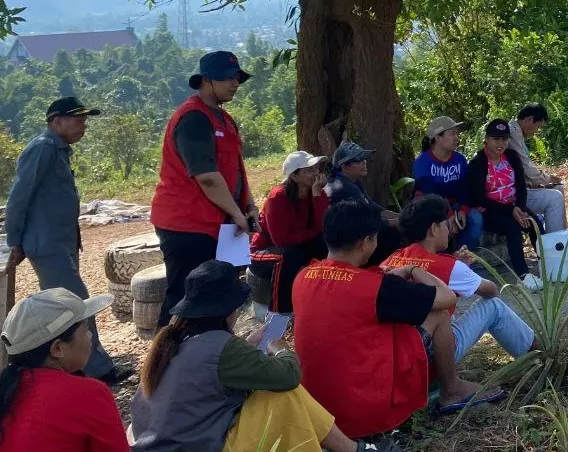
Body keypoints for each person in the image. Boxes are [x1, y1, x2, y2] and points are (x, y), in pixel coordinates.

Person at [130, 261, 398, 452]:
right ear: (230, 311)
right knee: (284, 395)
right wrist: (280, 350)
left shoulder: (174, 341)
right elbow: (288, 376)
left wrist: (246, 346)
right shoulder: (223, 348)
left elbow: (211, 371)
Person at [292, 201, 501, 438]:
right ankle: (451, 389)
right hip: (361, 407)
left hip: (317, 407)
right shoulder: (376, 287)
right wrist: (414, 270)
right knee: (439, 314)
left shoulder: (303, 276)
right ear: (365, 242)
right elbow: (448, 298)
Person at [0, 288, 175, 452]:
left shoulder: (7, 390)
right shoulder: (87, 392)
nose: (90, 336)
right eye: (85, 329)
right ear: (57, 348)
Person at [5, 97, 127, 384]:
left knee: (67, 309)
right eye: (78, 120)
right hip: (48, 245)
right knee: (77, 307)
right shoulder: (42, 148)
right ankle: (97, 371)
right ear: (57, 121)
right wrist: (15, 241)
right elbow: (18, 197)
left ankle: (74, 369)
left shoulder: (57, 150)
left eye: (84, 120)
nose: (83, 126)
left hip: (60, 243)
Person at [152, 51, 258, 328]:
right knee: (185, 295)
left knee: (223, 290)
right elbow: (207, 177)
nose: (235, 84)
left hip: (225, 222)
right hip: (189, 224)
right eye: (228, 78)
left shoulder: (224, 118)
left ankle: (216, 343)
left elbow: (236, 170)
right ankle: (166, 350)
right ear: (206, 80)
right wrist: (238, 214)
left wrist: (249, 206)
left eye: (237, 78)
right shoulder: (193, 118)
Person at [384, 195, 536, 383]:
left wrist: (458, 268)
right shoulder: (448, 266)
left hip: (398, 354)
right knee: (494, 306)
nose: (449, 229)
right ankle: (536, 354)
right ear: (433, 229)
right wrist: (462, 271)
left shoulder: (393, 259)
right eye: (445, 224)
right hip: (433, 354)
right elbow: (491, 290)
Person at [466, 120, 544, 291]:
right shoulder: (478, 164)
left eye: (504, 139)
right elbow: (479, 198)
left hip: (513, 205)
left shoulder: (512, 156)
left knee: (534, 223)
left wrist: (520, 208)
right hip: (489, 210)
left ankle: (548, 264)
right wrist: (511, 210)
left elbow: (521, 186)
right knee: (512, 228)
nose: (500, 143)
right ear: (486, 139)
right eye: (496, 139)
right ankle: (523, 275)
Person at [249, 151, 331, 313]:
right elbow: (280, 240)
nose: (315, 173)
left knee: (325, 244)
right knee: (288, 255)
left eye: (316, 168)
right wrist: (313, 232)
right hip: (263, 251)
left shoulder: (315, 191)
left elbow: (323, 226)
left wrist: (317, 196)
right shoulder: (278, 197)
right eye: (309, 170)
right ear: (294, 176)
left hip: (297, 245)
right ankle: (281, 312)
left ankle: (323, 298)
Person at [326, 140, 403, 265]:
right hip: (347, 242)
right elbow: (365, 221)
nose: (364, 162)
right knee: (392, 236)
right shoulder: (343, 188)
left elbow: (373, 208)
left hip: (357, 233)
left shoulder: (353, 181)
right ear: (345, 166)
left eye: (364, 158)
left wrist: (401, 216)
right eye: (359, 160)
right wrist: (397, 221)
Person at [412, 116, 483, 251]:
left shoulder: (460, 160)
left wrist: (463, 209)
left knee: (476, 219)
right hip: (431, 207)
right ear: (437, 138)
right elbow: (430, 193)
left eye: (457, 134)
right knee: (439, 225)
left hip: (455, 205)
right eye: (452, 134)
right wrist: (449, 214)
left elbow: (465, 187)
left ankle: (461, 256)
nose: (457, 138)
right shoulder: (422, 162)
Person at [508, 104, 567, 233]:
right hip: (511, 194)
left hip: (520, 187)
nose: (537, 131)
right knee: (555, 198)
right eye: (538, 126)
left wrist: (544, 180)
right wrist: (547, 179)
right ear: (529, 120)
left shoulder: (517, 132)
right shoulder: (512, 133)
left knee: (559, 188)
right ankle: (555, 242)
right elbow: (526, 168)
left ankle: (562, 235)